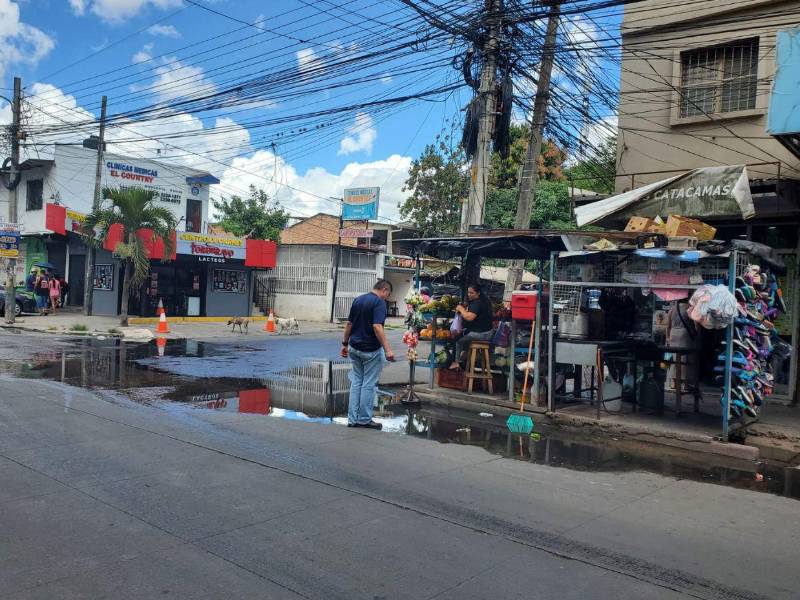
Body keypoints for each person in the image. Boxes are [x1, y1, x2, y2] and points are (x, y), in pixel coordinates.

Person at [340, 279, 395, 430]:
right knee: (368, 384)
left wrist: (344, 344)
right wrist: (388, 349)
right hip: (370, 350)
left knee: (357, 382)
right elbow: (377, 326)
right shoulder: (379, 303)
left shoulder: (358, 300)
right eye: (387, 294)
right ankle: (364, 419)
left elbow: (349, 324)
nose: (386, 297)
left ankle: (352, 419)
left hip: (354, 347)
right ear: (384, 290)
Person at [449, 283, 495, 370]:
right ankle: (465, 361)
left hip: (481, 334)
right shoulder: (486, 301)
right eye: (468, 292)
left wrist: (461, 309)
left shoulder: (477, 303)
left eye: (472, 293)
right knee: (464, 335)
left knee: (457, 339)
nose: (469, 295)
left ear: (478, 293)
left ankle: (456, 362)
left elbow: (469, 317)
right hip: (488, 332)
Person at [665, 299, 700, 392]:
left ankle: (673, 382)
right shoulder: (690, 309)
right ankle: (685, 384)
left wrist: (668, 337)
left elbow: (668, 325)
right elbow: (696, 324)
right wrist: (697, 334)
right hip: (685, 335)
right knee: (685, 359)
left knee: (674, 358)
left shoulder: (672, 309)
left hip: (673, 334)